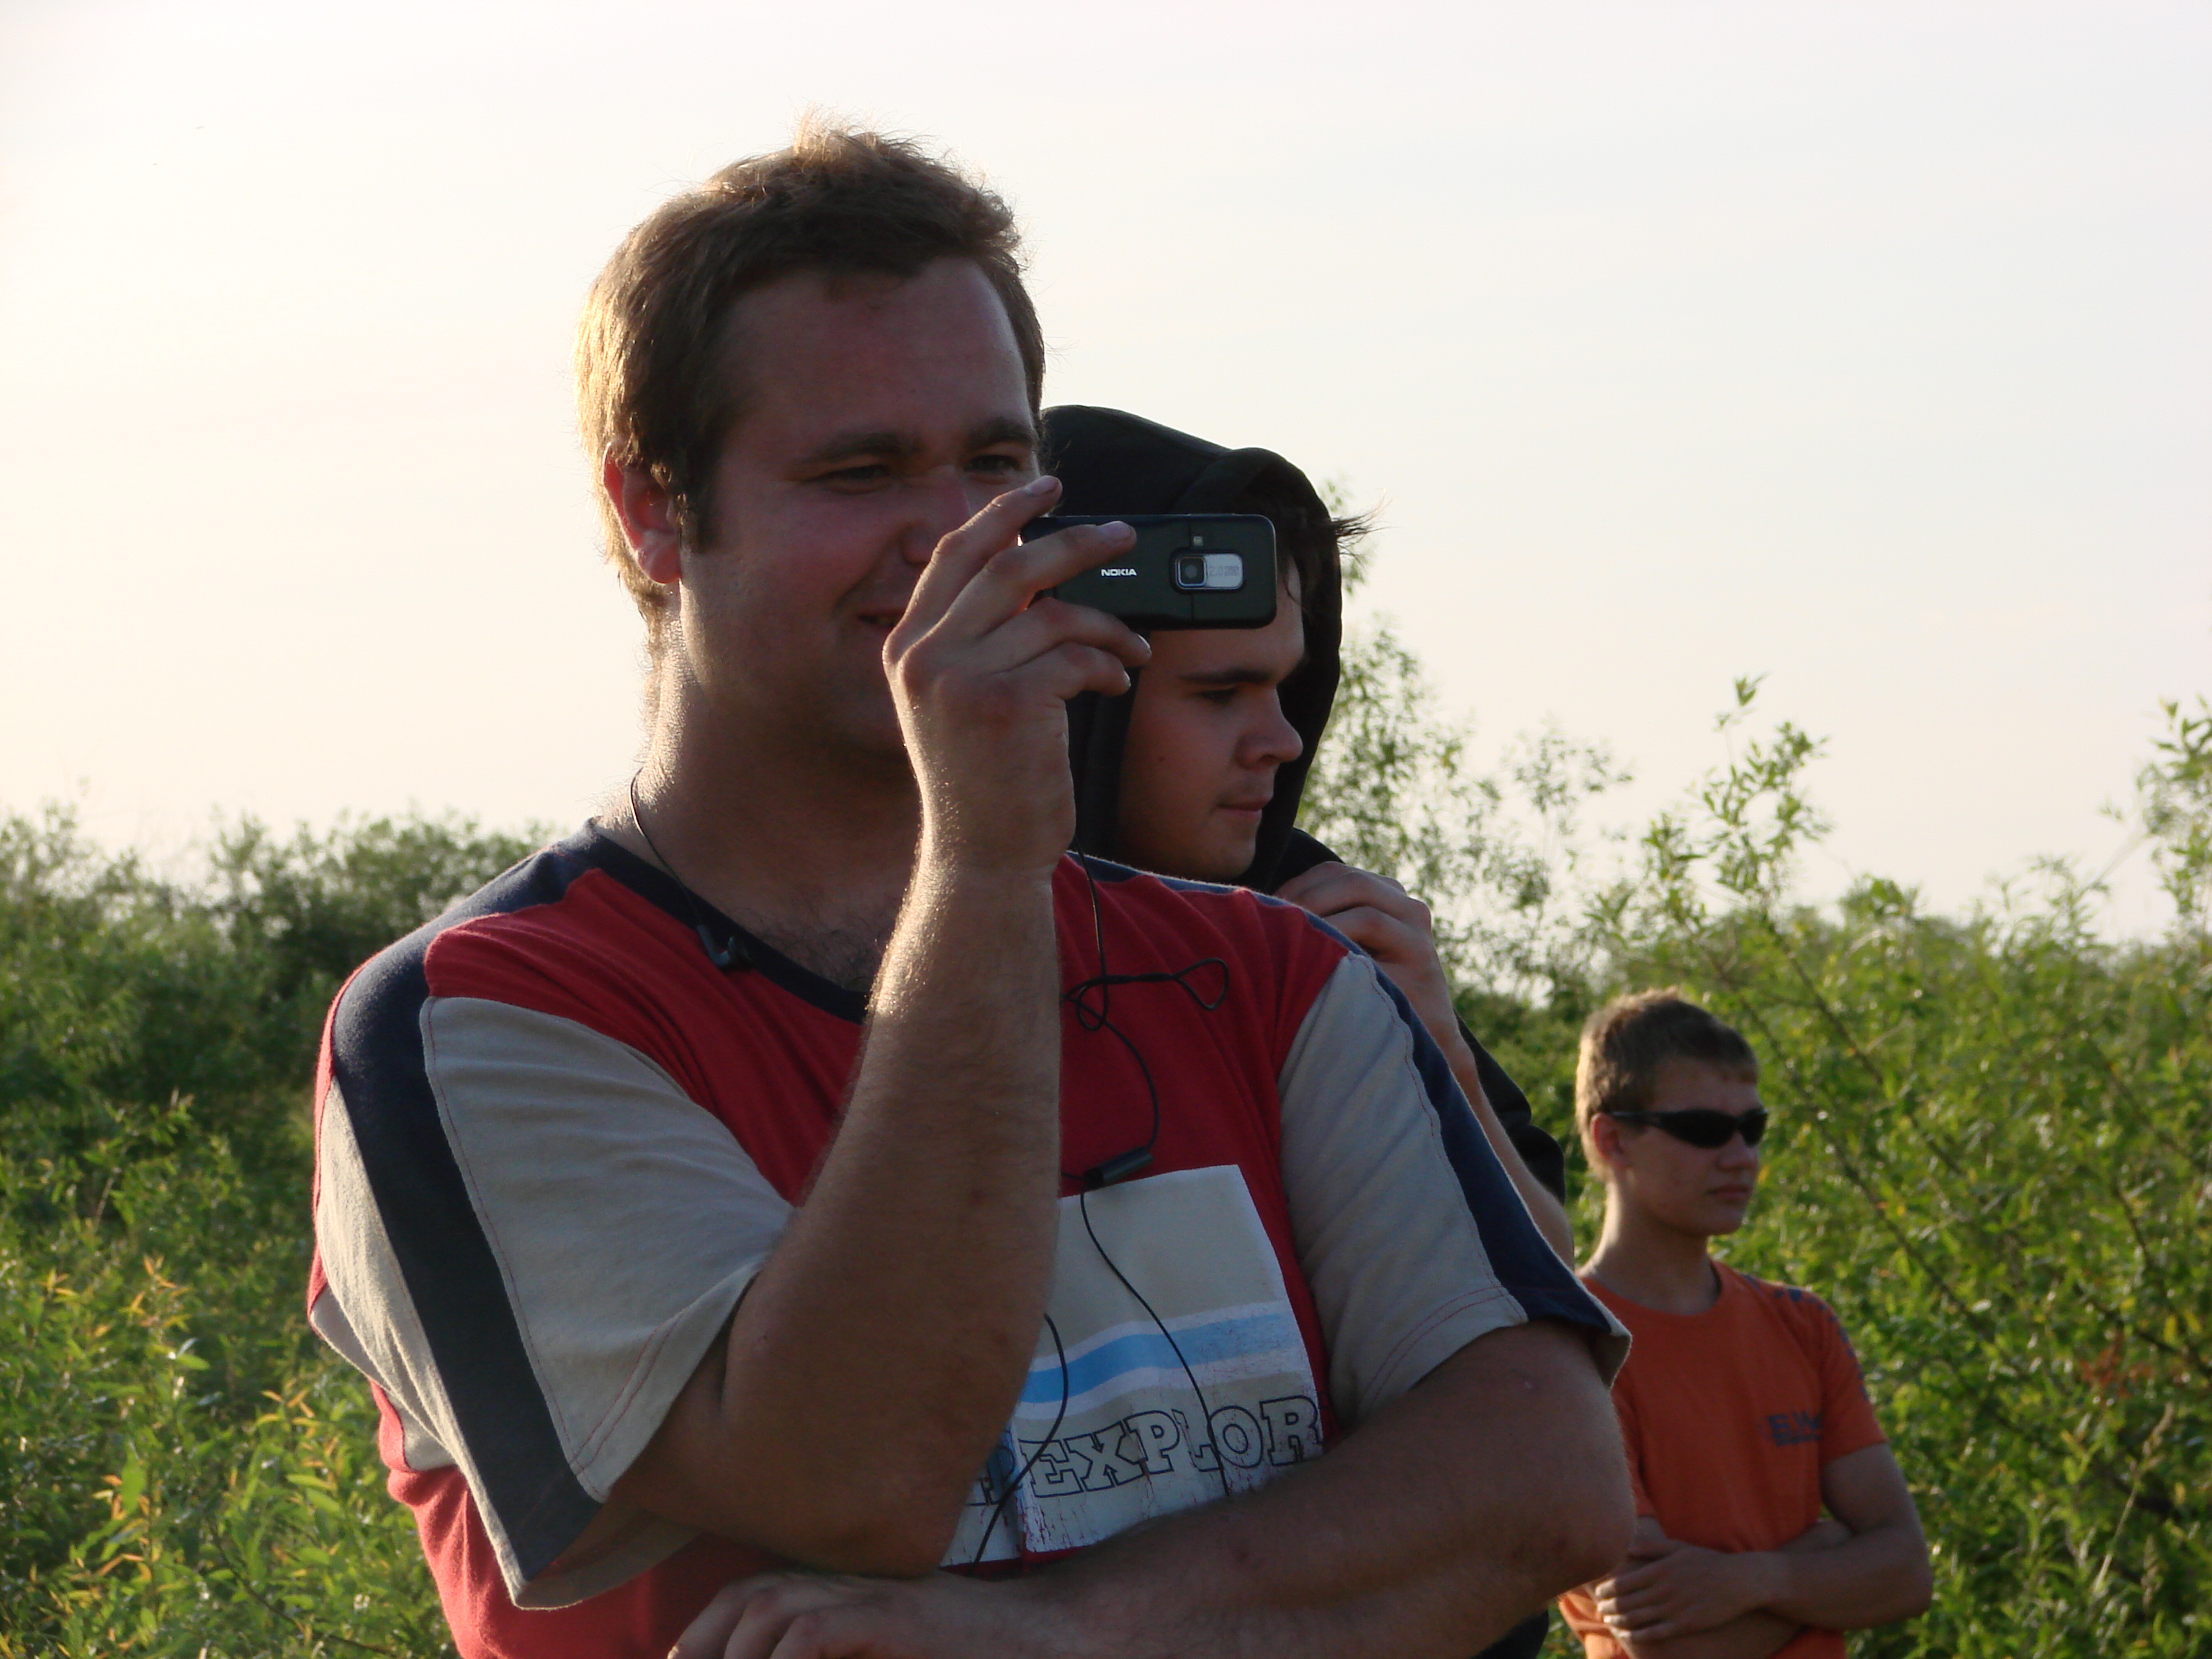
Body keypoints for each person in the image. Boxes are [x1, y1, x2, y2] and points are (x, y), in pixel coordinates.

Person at [307, 126, 1633, 1659]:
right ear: (650, 512)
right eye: (859, 471)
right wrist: (990, 860)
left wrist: (1064, 1629)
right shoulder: (476, 1017)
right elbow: (855, 1475)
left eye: (997, 465)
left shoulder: (1272, 973)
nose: (956, 535)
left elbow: (1547, 1479)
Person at [1041, 404, 1574, 1263]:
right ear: (1070, 696)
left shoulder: (1321, 928)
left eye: (1287, 689)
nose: (1282, 741)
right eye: (1220, 694)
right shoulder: (896, 956)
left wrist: (1443, 1068)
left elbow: (1555, 1297)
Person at [1557, 992, 1933, 1659]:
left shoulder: (1802, 1324)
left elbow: (1907, 1573)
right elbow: (1671, 1647)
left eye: (1752, 1128)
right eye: (1705, 1129)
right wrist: (1827, 1555)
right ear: (1611, 1139)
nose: (1741, 1156)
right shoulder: (1569, 1350)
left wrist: (1752, 1581)